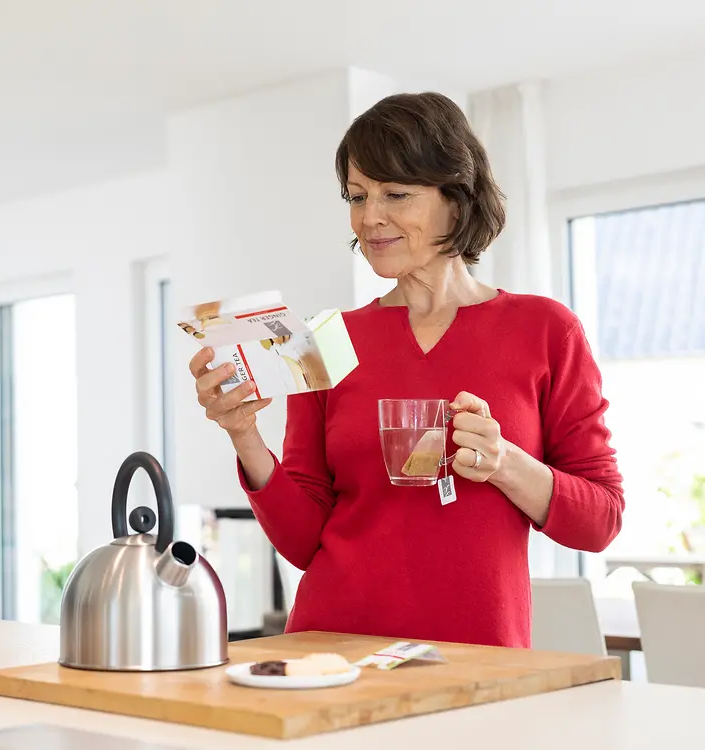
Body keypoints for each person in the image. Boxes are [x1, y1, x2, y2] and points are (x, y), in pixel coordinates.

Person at [188, 92, 624, 649]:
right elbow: (303, 543)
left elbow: (600, 520)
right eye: (358, 196)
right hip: (333, 653)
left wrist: (504, 462)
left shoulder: (545, 330)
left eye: (396, 194)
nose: (371, 218)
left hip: (478, 658)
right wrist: (246, 437)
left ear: (457, 200)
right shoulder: (326, 338)